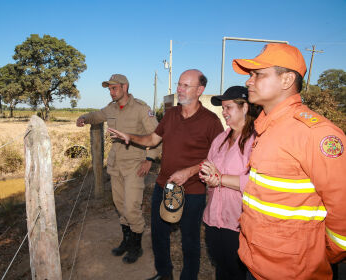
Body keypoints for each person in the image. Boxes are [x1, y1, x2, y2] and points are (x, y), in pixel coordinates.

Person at [231, 43, 346, 279]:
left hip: (294, 271)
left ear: (286, 80)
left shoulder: (315, 133)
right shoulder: (267, 128)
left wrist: (323, 255)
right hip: (255, 262)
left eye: (258, 74)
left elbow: (342, 209)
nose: (248, 82)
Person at [108, 69, 224, 280]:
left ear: (200, 90)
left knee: (189, 240)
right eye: (179, 84)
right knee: (159, 235)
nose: (180, 89)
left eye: (186, 85)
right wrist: (129, 137)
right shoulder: (170, 114)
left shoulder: (211, 121)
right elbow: (152, 140)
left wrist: (190, 171)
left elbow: (219, 157)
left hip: (193, 191)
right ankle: (164, 274)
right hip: (164, 186)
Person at [76, 74, 160, 264]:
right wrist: (84, 117)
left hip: (135, 166)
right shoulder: (111, 108)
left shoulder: (141, 109)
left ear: (125, 87)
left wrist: (150, 159)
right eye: (109, 89)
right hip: (116, 166)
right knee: (120, 205)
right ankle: (127, 241)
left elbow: (157, 135)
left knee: (131, 208)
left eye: (114, 88)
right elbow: (97, 115)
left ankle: (136, 247)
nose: (111, 92)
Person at [199, 86, 260, 280]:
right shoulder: (220, 138)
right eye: (223, 108)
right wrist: (207, 175)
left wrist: (220, 179)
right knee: (221, 268)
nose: (224, 113)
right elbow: (208, 167)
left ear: (245, 108)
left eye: (229, 107)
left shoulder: (257, 140)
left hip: (238, 222)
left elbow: (258, 182)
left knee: (237, 272)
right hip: (214, 219)